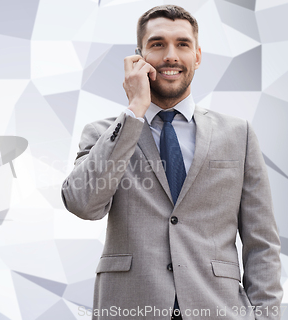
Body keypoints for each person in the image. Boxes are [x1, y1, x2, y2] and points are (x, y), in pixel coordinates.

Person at [61, 5, 283, 320]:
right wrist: (134, 109)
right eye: (157, 44)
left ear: (198, 56)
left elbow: (262, 243)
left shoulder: (238, 134)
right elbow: (82, 204)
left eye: (182, 44)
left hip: (217, 308)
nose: (171, 55)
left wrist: (266, 316)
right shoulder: (103, 134)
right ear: (138, 57)